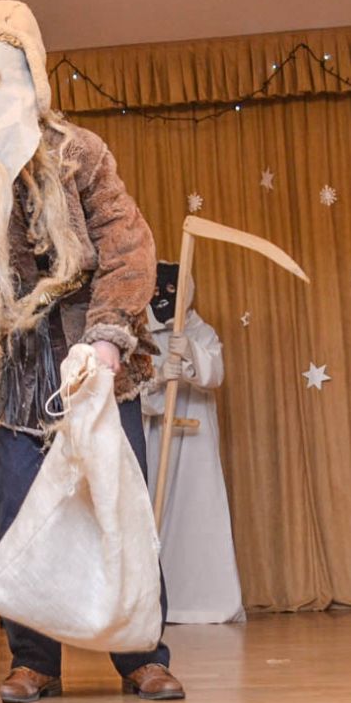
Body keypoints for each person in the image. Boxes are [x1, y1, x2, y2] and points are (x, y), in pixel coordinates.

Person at [0, 0, 184, 701]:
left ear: (25, 78)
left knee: (115, 506)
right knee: (17, 513)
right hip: (10, 361)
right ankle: (34, 660)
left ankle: (141, 655)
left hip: (89, 355)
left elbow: (127, 246)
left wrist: (106, 339)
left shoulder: (80, 152)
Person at [142, 262, 245, 624]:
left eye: (172, 292)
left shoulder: (201, 332)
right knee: (151, 513)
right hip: (155, 438)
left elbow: (215, 372)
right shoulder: (138, 335)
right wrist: (157, 378)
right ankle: (152, 600)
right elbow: (129, 389)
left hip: (194, 444)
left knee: (197, 512)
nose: (163, 299)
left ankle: (201, 599)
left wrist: (190, 355)